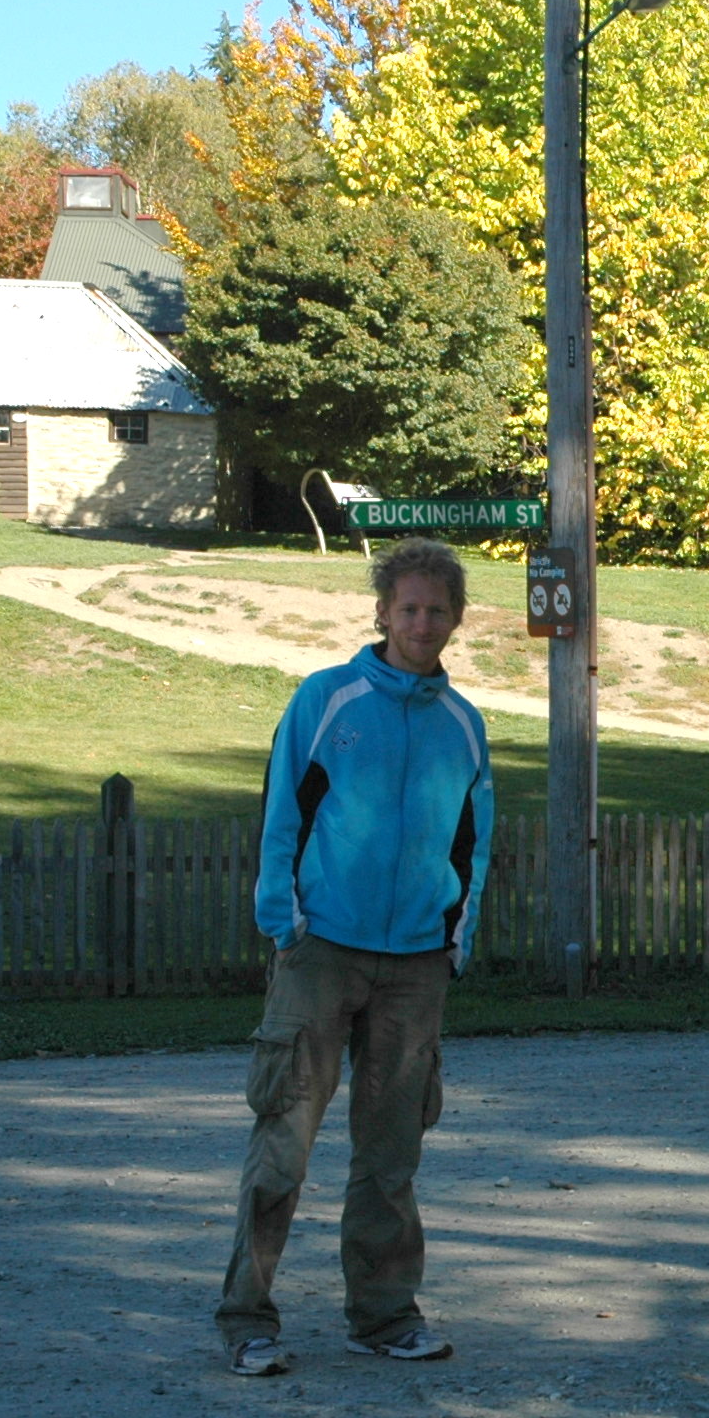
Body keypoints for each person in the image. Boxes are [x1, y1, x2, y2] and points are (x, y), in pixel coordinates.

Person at [216, 538, 496, 1375]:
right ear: (382, 612)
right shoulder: (325, 699)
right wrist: (283, 920)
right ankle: (247, 1318)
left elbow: (473, 843)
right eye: (408, 608)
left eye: (437, 610)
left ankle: (383, 1316)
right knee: (283, 1141)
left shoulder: (464, 725)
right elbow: (282, 814)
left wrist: (457, 935)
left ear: (456, 620)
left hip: (416, 964)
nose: (422, 623)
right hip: (322, 951)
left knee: (390, 1156)